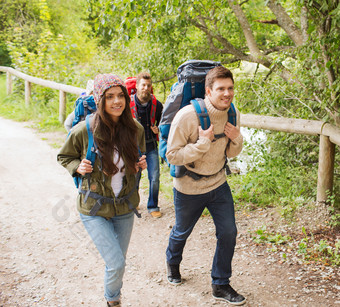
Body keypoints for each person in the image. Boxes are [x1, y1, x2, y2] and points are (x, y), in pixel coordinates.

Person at [57, 74, 147, 307]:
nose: (117, 101)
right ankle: (113, 300)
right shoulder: (84, 130)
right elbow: (64, 156)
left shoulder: (135, 129)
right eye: (110, 97)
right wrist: (78, 166)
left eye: (121, 96)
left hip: (125, 206)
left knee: (118, 261)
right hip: (93, 208)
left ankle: (112, 296)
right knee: (116, 263)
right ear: (99, 100)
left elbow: (138, 157)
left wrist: (139, 163)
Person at [165, 66, 246, 305]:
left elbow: (231, 152)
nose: (227, 93)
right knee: (182, 231)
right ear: (208, 91)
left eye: (230, 88)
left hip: (218, 183)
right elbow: (172, 155)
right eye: (221, 89)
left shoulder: (232, 113)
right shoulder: (187, 116)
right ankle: (173, 262)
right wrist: (202, 144)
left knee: (229, 232)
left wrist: (236, 139)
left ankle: (220, 284)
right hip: (189, 187)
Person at [131, 72, 163, 218]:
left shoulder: (157, 105)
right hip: (133, 147)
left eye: (148, 85)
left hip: (151, 146)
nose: (146, 88)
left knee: (154, 177)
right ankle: (134, 202)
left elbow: (163, 123)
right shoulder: (128, 103)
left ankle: (153, 206)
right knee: (134, 176)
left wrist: (159, 129)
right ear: (137, 86)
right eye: (143, 85)